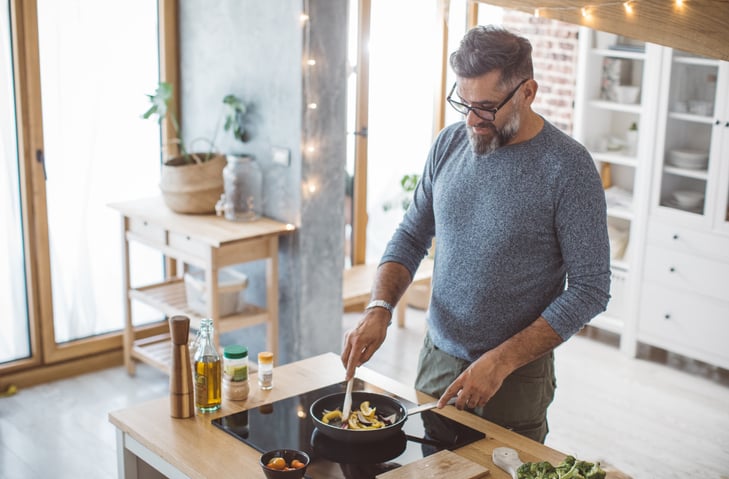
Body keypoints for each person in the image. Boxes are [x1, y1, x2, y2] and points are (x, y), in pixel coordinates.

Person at [341, 25, 611, 443]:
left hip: (514, 378)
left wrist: (501, 361)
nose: (471, 120)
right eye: (463, 103)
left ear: (527, 92)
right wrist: (379, 308)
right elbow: (412, 234)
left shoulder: (568, 169)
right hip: (436, 361)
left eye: (485, 107)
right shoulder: (449, 144)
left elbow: (591, 288)